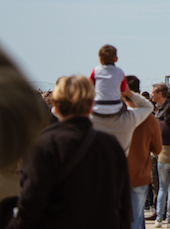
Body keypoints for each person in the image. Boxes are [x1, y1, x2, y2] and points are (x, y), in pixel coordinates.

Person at [10, 75, 132, 228]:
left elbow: (30, 204)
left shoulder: (44, 145)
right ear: (92, 105)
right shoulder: (111, 145)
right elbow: (124, 205)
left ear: (55, 106)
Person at [126, 75, 163, 229]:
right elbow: (158, 148)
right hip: (140, 173)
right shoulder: (149, 118)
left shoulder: (115, 117)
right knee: (137, 215)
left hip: (117, 173)